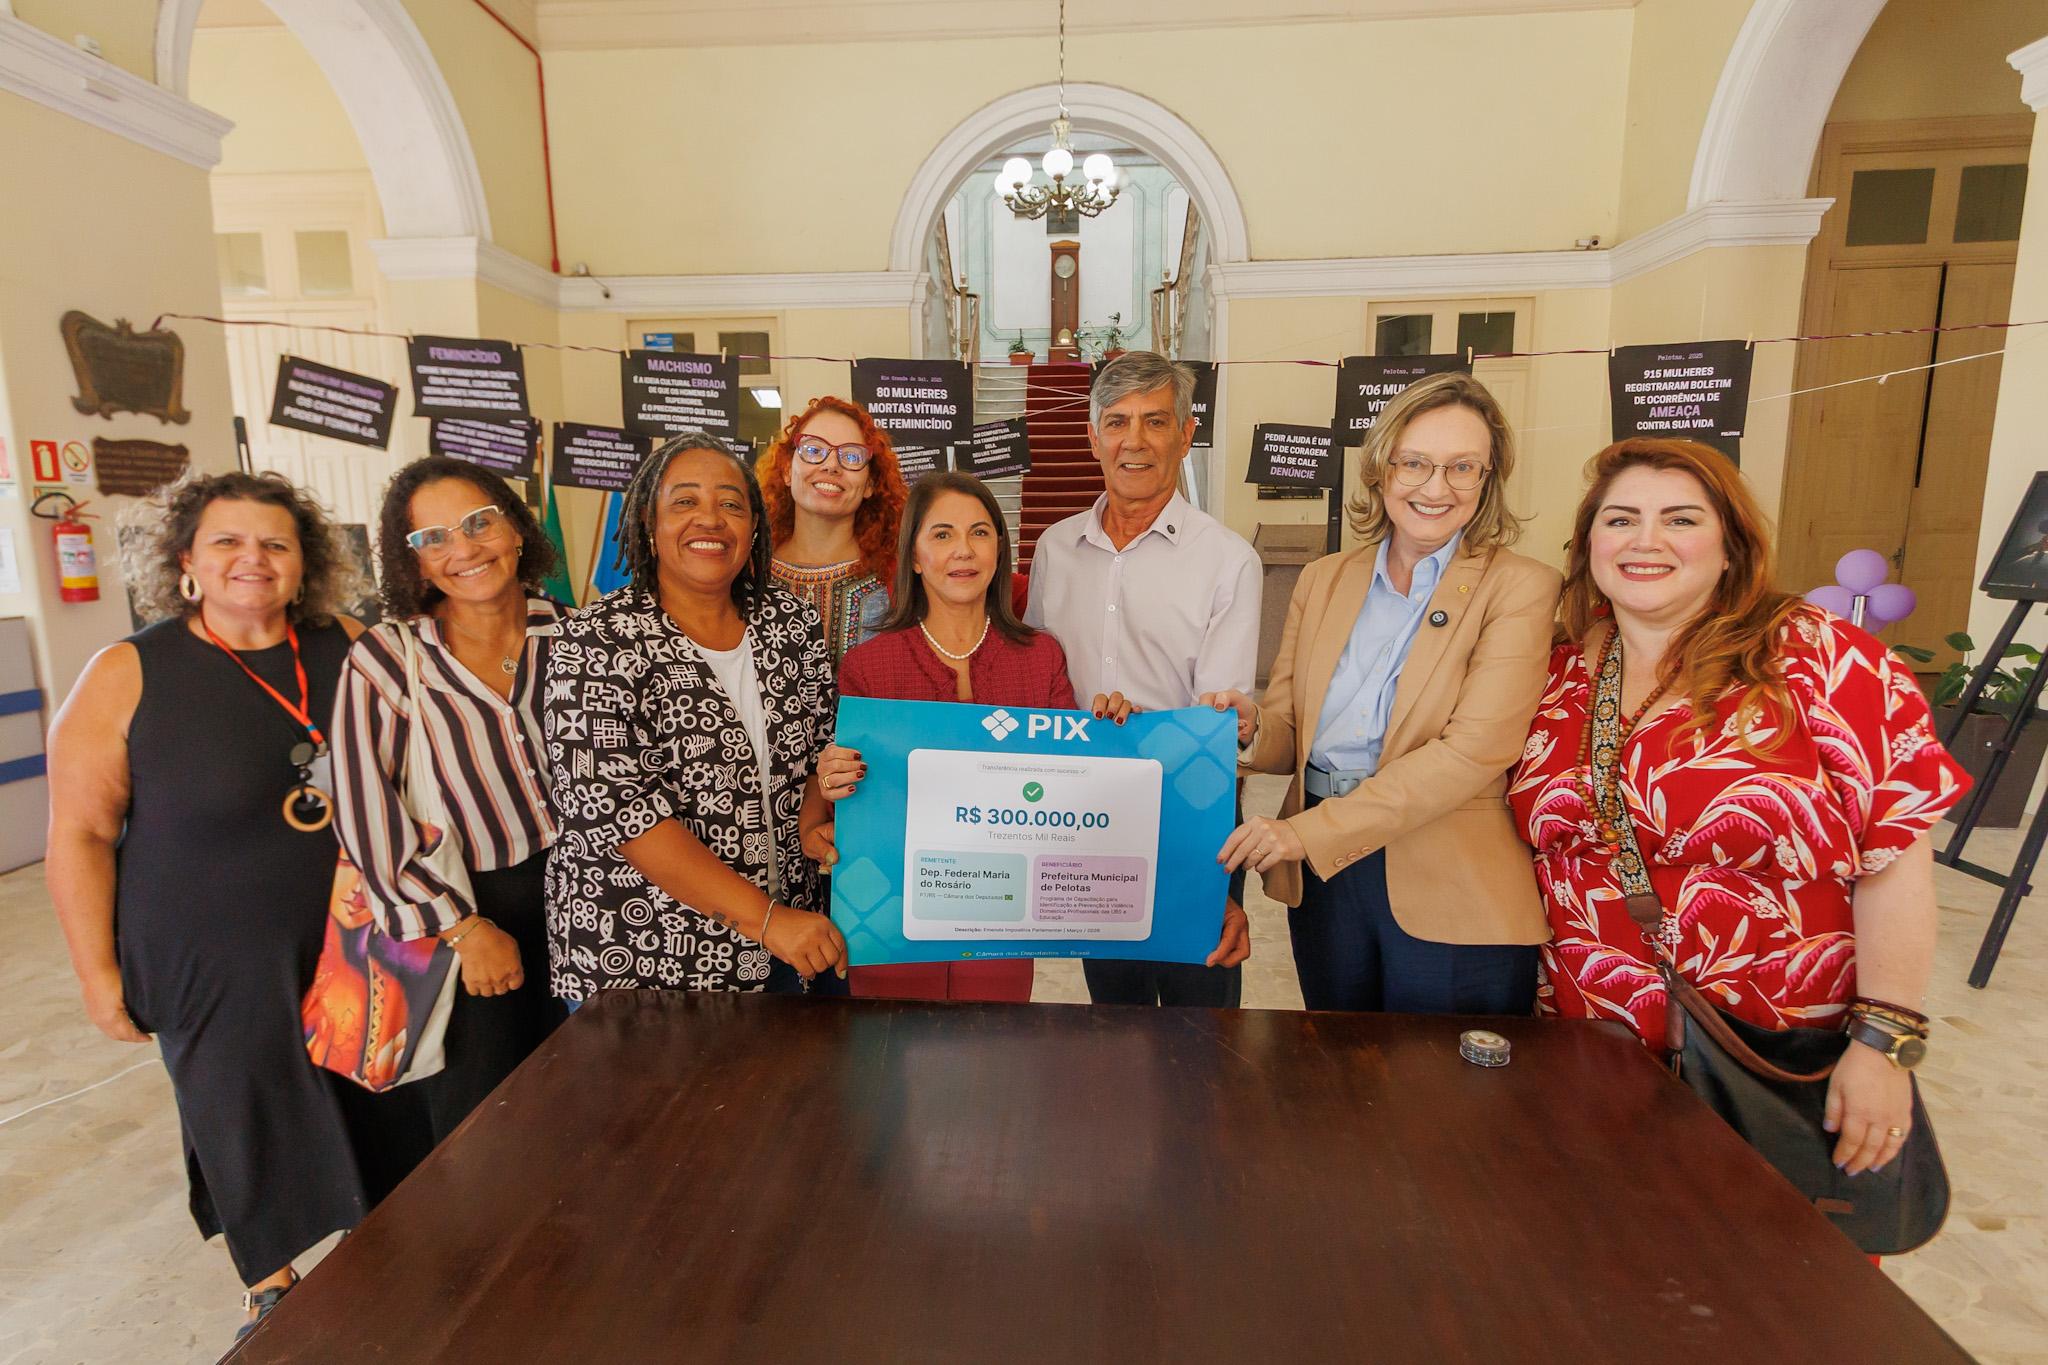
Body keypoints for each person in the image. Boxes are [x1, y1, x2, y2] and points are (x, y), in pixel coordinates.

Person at [1507, 438, 1966, 1175]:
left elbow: (1896, 863)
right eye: (1620, 519)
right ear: (1589, 543)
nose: (1646, 540)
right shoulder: (1554, 671)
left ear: (1730, 548)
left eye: (1681, 519)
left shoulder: (1823, 659)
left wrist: (1884, 1044)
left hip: (1772, 1054)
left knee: (1767, 1274)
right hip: (1586, 1046)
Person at [45, 470, 371, 1343]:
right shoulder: (128, 670)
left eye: (275, 542)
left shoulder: (344, 639)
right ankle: (271, 1284)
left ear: (305, 562)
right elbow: (77, 832)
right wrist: (95, 972)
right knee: (238, 1102)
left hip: (345, 929)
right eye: (226, 541)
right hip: (200, 945)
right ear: (185, 560)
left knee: (360, 1095)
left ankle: (379, 1256)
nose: (251, 560)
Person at [1204, 372, 1559, 1015]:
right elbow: (1291, 730)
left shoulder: (1522, 587)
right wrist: (1252, 723)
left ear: (1488, 480)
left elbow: (1473, 753)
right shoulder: (1324, 579)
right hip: (1327, 883)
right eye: (1415, 462)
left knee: (1442, 1104)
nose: (1435, 487)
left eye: (1463, 467)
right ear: (1381, 468)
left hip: (1451, 883)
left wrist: (1306, 834)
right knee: (1340, 1085)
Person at [543, 431, 847, 1003]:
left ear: (754, 528)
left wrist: (812, 822)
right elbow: (622, 815)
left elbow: (819, 756)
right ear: (649, 525)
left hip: (796, 947)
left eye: (731, 504)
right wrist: (765, 920)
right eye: (684, 502)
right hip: (646, 960)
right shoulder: (594, 640)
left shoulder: (793, 626)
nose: (710, 519)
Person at [329, 457, 568, 1163]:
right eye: (433, 537)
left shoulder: (569, 631)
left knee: (584, 1092)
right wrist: (462, 929)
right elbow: (366, 813)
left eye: (478, 522)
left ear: (516, 528)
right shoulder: (388, 658)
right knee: (486, 1125)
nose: (463, 548)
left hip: (583, 898)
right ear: (414, 562)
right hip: (469, 907)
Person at [810, 472, 1129, 1001]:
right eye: (941, 535)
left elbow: (1073, 781)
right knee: (889, 1060)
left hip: (1003, 913)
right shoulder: (869, 667)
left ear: (1000, 551)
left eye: (980, 533)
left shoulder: (1040, 656)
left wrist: (1109, 736)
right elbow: (845, 799)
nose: (964, 550)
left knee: (993, 1057)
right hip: (894, 915)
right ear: (913, 556)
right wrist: (834, 779)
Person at [1024, 350, 1259, 1006]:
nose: (1134, 441)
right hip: (1081, 811)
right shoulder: (1055, 548)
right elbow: (1037, 675)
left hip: (1191, 809)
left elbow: (1217, 718)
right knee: (1115, 1013)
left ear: (1186, 435)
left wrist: (1141, 732)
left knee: (1200, 1017)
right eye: (1117, 421)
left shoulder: (1227, 560)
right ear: (1092, 435)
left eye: (1156, 422)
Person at [759, 395, 908, 665]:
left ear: (871, 483)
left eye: (851, 456)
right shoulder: (747, 573)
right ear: (786, 471)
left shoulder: (899, 580)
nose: (831, 466)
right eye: (813, 451)